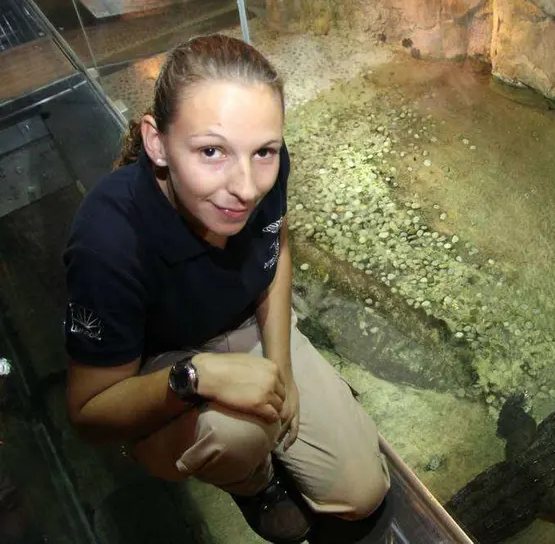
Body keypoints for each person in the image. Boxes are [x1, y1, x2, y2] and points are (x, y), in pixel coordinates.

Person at [61, 33, 393, 544]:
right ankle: (252, 482)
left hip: (244, 322)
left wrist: (280, 364)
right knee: (235, 433)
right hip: (163, 362)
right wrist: (196, 375)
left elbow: (274, 245)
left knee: (361, 492)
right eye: (211, 150)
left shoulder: (268, 170)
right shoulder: (107, 241)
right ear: (157, 142)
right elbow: (89, 414)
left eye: (263, 151)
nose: (245, 186)